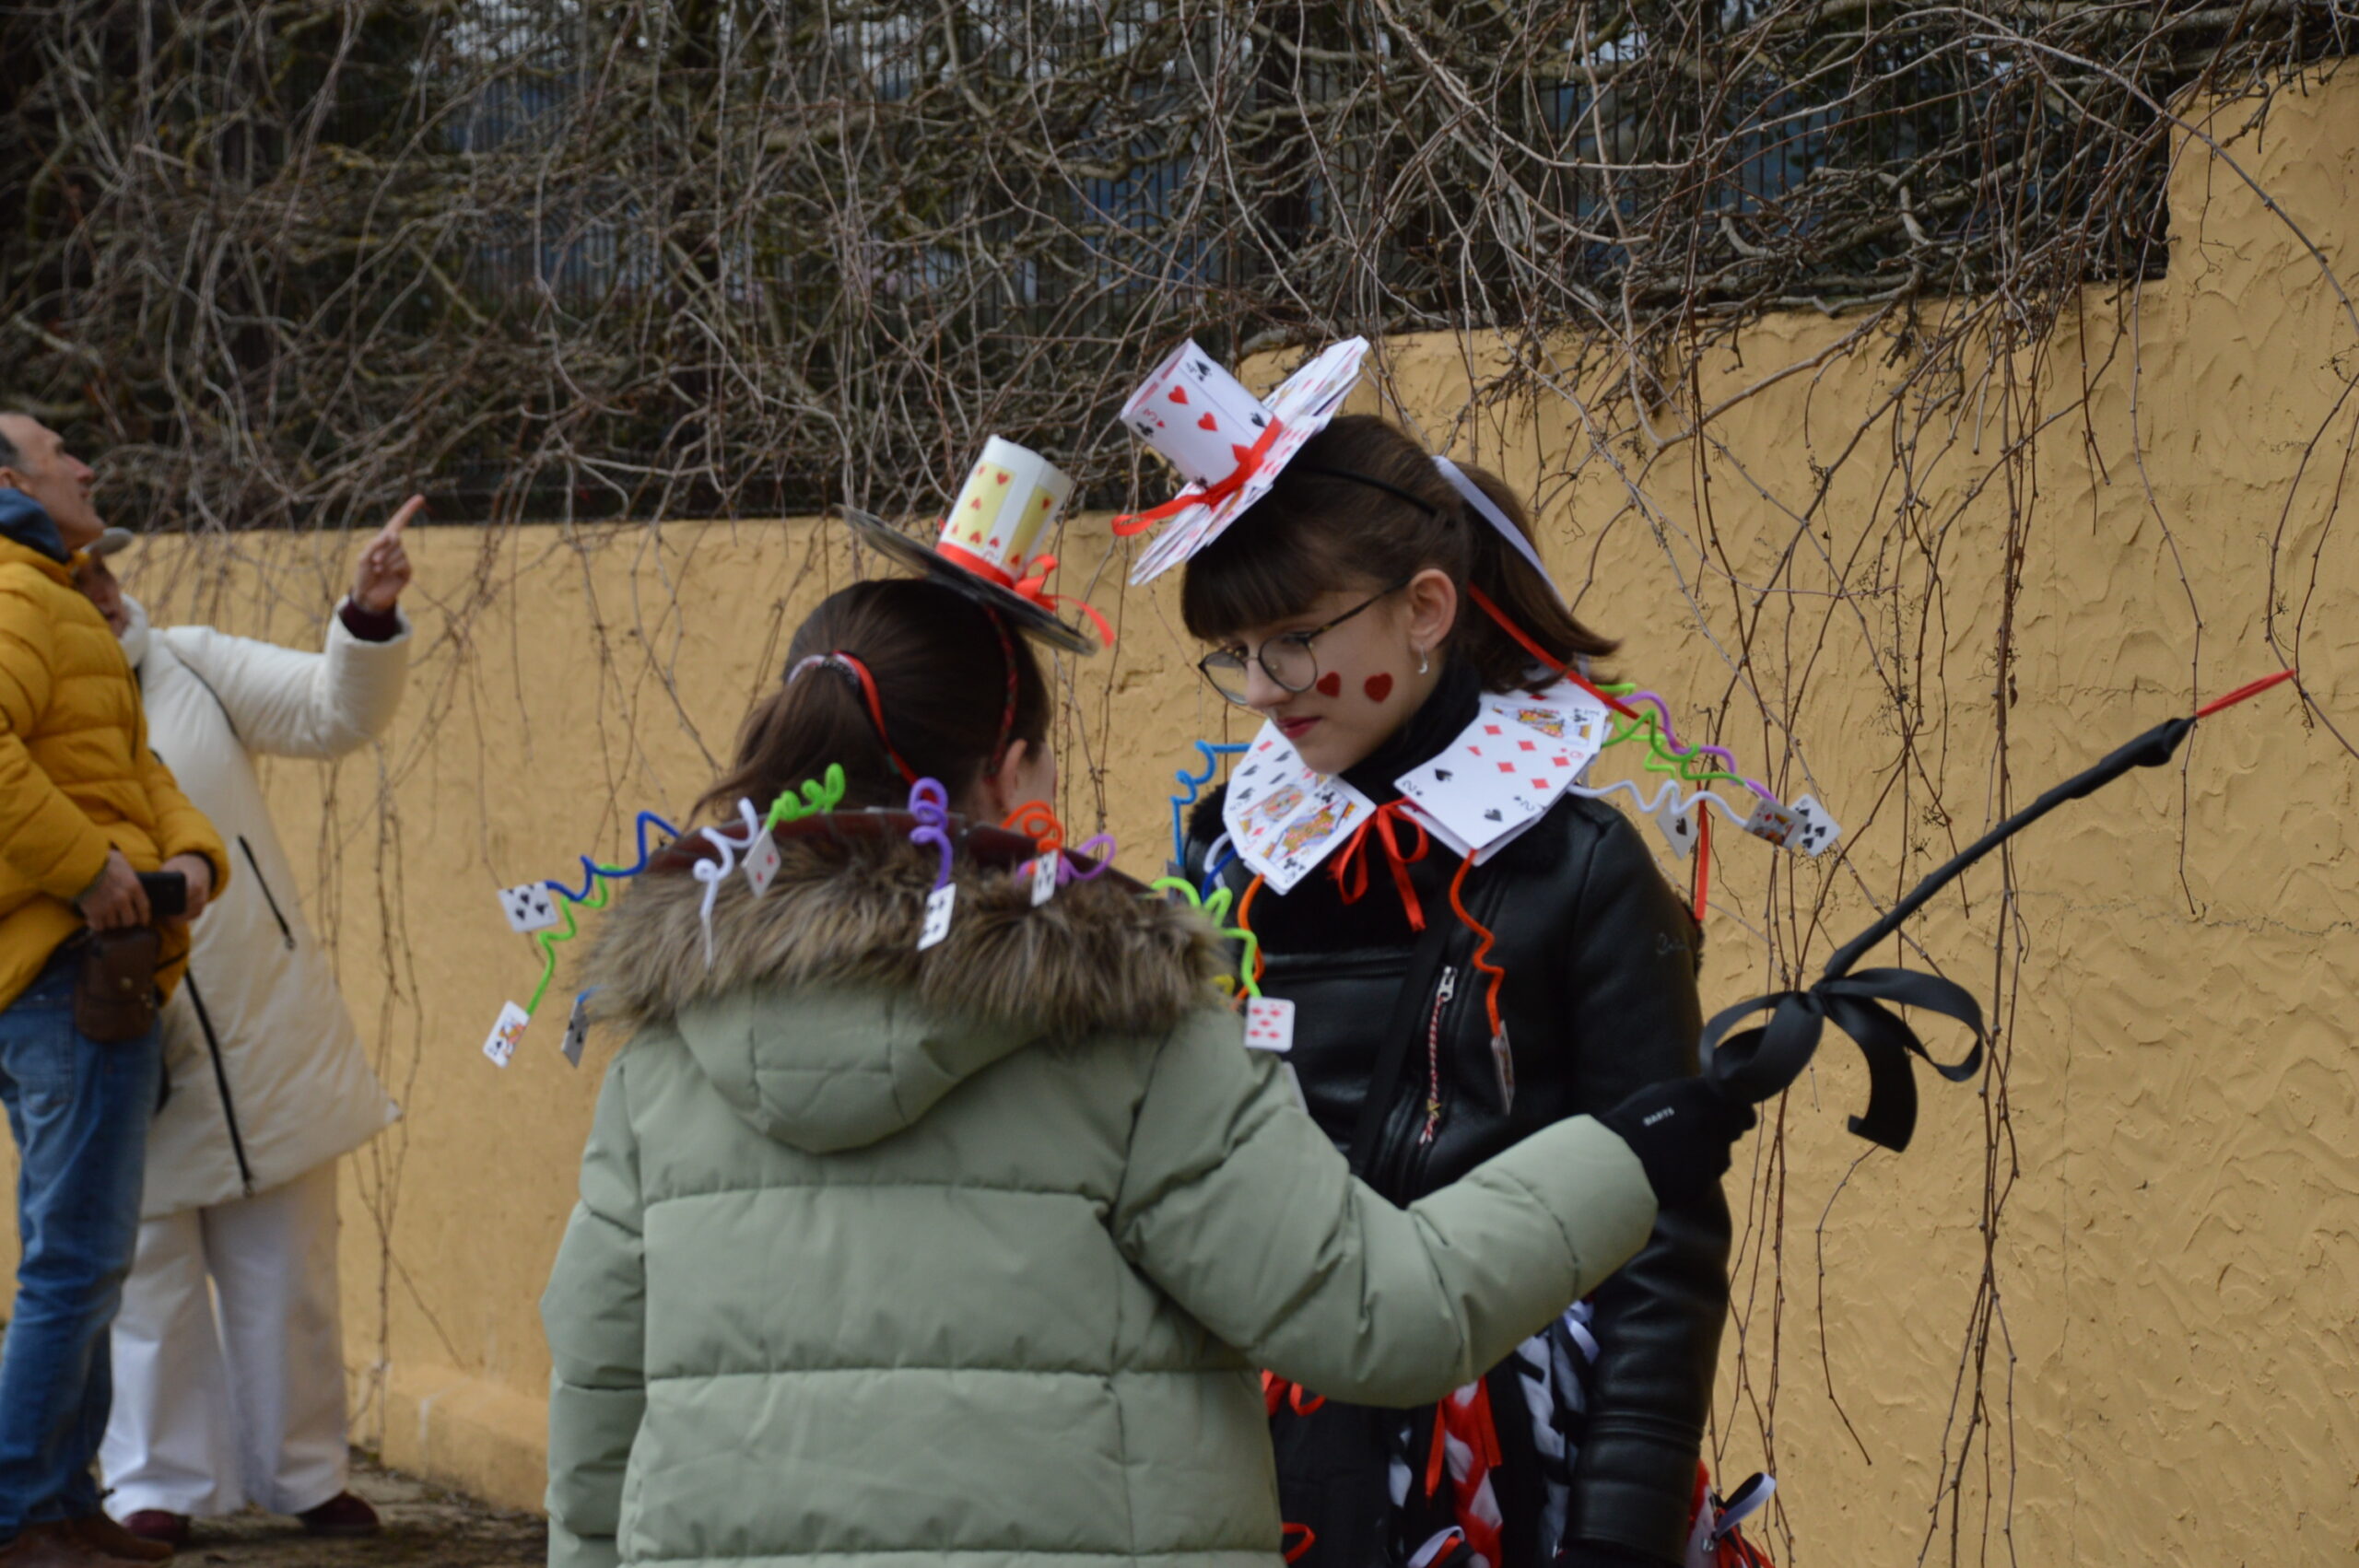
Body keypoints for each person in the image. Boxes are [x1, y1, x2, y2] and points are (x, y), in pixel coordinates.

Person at [538, 573, 1752, 1568]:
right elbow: (1382, 1315)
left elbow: (595, 1411)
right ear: (1012, 773)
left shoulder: (661, 1059)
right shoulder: (1126, 1031)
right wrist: (1643, 1144)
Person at [1171, 415, 1731, 1568]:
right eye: (1236, 651)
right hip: (1247, 1472)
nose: (1266, 690)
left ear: (1424, 611)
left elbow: (1661, 1243)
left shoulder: (1577, 866)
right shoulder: (1224, 854)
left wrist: (1616, 1539)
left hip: (1506, 1485)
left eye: (1292, 638)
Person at [67, 501, 421, 1547]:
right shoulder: (28, 706)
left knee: (291, 1270)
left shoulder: (190, 663)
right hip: (116, 1030)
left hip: (268, 1024)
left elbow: (330, 712)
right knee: (148, 1273)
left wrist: (363, 617)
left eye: (106, 570)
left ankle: (307, 1473)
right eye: (81, 575)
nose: (107, 587)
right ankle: (153, 1484)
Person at [0, 414, 228, 1568]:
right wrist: (91, 870)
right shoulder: (18, 596)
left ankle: (63, 1500)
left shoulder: (57, 596)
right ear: (9, 483)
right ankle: (24, 1513)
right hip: (63, 977)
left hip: (93, 971)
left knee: (83, 1254)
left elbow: (137, 769)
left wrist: (192, 860)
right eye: (57, 453)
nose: (85, 465)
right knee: (75, 1260)